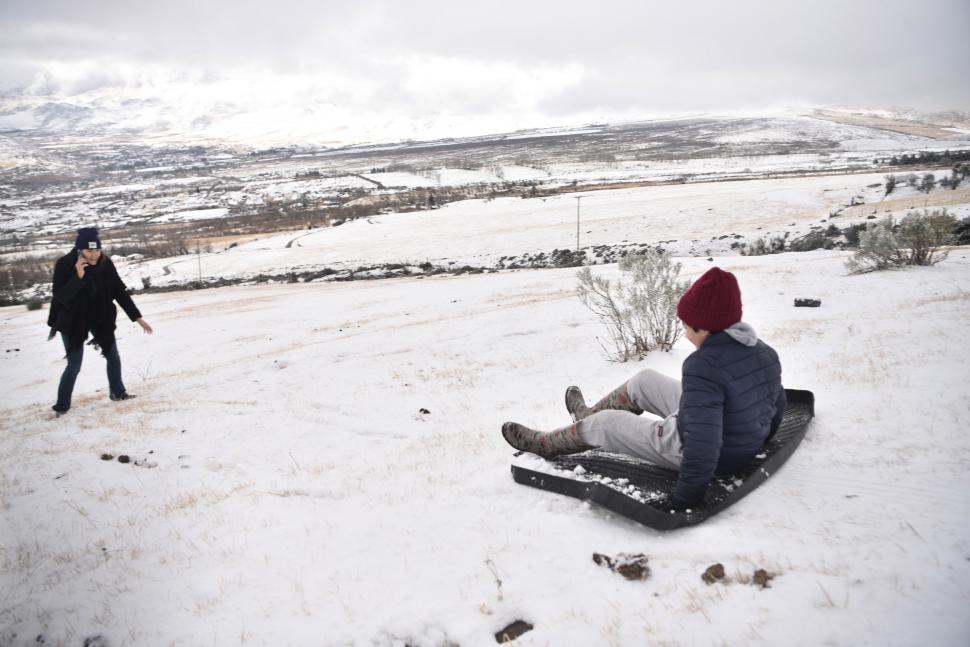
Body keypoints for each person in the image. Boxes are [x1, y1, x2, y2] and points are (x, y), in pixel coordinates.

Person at [502, 266, 785, 510]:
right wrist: (759, 438)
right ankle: (584, 417)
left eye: (686, 327)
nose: (684, 334)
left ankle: (546, 445)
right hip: (727, 434)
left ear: (705, 328)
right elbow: (776, 404)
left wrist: (687, 496)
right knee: (644, 380)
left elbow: (704, 439)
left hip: (698, 449)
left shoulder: (703, 366)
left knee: (606, 424)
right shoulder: (764, 352)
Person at [48, 227, 153, 416]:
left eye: (97, 250)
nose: (94, 254)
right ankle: (62, 406)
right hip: (73, 319)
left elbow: (119, 292)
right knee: (74, 364)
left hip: (99, 316)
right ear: (80, 250)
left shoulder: (105, 263)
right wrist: (78, 277)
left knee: (113, 355)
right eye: (89, 251)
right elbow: (60, 297)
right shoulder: (64, 264)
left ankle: (118, 392)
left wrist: (137, 318)